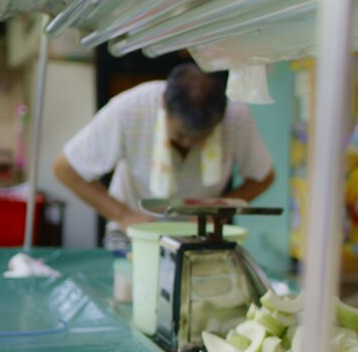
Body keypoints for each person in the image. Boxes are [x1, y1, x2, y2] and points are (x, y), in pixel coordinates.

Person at [54, 61, 275, 243]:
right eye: (180, 135)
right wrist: (123, 215)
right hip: (132, 230)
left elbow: (263, 176)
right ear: (163, 106)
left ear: (219, 121)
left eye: (200, 138)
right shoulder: (129, 109)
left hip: (199, 233)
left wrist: (219, 209)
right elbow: (65, 168)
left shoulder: (236, 117)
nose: (188, 143)